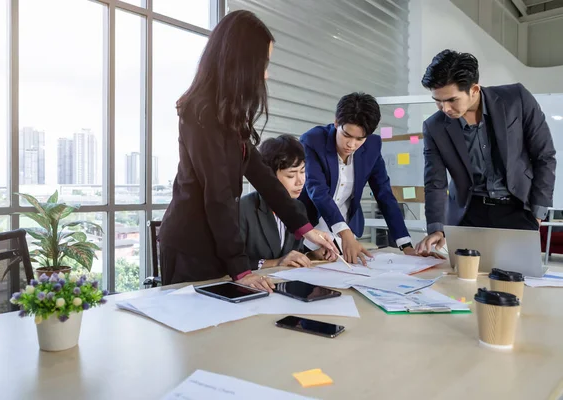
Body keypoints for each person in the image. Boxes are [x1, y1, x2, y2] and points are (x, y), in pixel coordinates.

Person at [158, 10, 337, 292]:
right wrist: (241, 270)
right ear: (240, 64)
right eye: (263, 64)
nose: (265, 75)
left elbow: (262, 176)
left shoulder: (229, 115)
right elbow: (216, 195)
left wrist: (305, 228)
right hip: (190, 247)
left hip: (217, 243)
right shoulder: (200, 113)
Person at [416, 50, 556, 254]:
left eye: (451, 100)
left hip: (518, 209)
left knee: (517, 281)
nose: (444, 108)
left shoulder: (516, 99)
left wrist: (538, 212)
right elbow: (435, 182)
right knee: (466, 281)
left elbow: (544, 156)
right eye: (438, 100)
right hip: (469, 214)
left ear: (473, 89)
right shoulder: (434, 127)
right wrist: (437, 227)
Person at [299, 92, 415, 265]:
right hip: (310, 230)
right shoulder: (313, 140)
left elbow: (384, 193)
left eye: (360, 139)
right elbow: (317, 190)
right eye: (346, 135)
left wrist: (406, 244)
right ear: (336, 122)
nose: (351, 145)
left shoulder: (373, 146)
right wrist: (344, 233)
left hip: (345, 233)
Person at [240, 135, 336, 270]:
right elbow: (230, 263)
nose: (300, 181)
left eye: (302, 172)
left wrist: (311, 256)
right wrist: (275, 263)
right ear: (269, 176)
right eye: (291, 175)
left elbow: (291, 255)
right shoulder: (244, 209)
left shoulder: (299, 207)